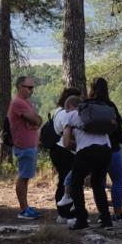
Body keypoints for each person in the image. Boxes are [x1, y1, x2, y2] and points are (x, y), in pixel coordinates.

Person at [62, 78, 115, 231]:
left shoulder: (71, 115)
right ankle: (106, 220)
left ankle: (81, 219)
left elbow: (65, 142)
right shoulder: (98, 112)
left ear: (71, 106)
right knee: (98, 184)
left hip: (86, 151)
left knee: (75, 183)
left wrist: (74, 145)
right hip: (105, 150)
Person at [89, 78, 122, 223]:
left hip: (93, 150)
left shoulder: (87, 106)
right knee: (118, 181)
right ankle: (118, 213)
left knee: (98, 183)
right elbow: (118, 126)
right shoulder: (110, 106)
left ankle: (103, 214)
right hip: (113, 150)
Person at [8, 75, 43, 219]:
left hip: (29, 145)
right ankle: (23, 209)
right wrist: (35, 121)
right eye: (28, 87)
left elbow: (37, 120)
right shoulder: (18, 103)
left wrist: (36, 121)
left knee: (26, 177)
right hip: (24, 145)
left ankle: (26, 207)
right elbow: (37, 120)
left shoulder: (24, 102)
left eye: (32, 87)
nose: (31, 90)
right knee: (23, 177)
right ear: (19, 87)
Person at [49, 87, 81, 222]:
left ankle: (62, 214)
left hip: (58, 150)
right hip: (66, 151)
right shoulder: (66, 115)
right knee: (69, 182)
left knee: (63, 181)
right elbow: (68, 135)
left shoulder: (57, 112)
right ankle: (68, 214)